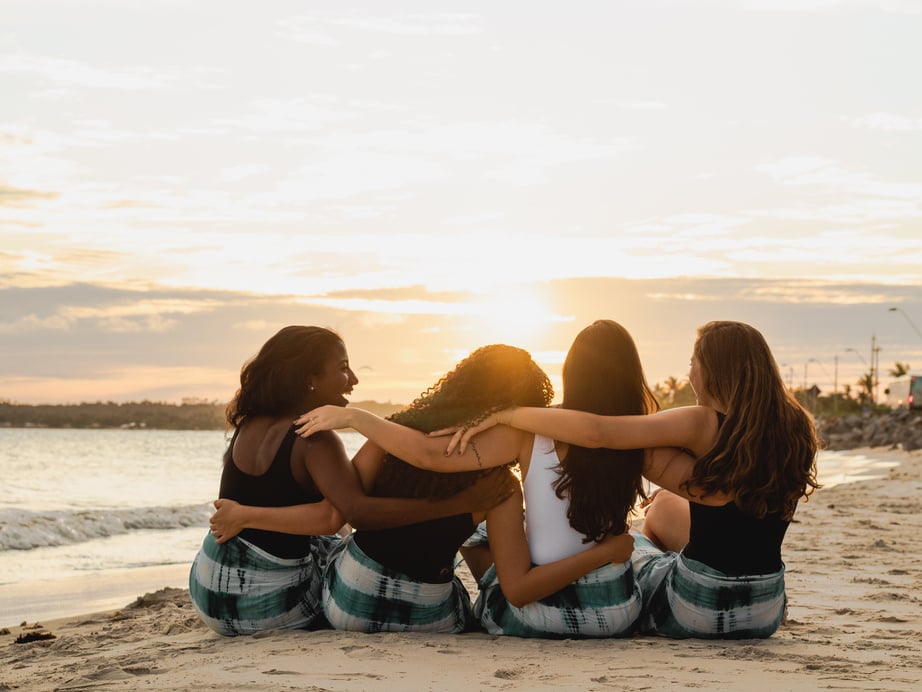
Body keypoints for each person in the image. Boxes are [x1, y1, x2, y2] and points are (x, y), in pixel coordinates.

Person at [296, 321, 686, 638]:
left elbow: (427, 456)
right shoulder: (640, 439)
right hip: (612, 614)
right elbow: (694, 482)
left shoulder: (512, 436)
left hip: (361, 603)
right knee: (636, 546)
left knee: (481, 545)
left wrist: (357, 418)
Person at [440, 320, 821, 639]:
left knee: (638, 549)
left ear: (714, 369)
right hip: (767, 607)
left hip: (696, 606)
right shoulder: (796, 427)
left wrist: (508, 414)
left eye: (694, 362)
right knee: (661, 512)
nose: (690, 372)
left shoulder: (701, 421)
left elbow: (599, 433)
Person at [189, 326, 512, 636]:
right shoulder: (315, 439)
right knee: (344, 551)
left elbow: (325, 513)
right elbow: (346, 515)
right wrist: (463, 503)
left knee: (332, 540)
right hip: (264, 609)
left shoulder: (249, 424)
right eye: (343, 368)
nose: (353, 379)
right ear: (309, 379)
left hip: (209, 593)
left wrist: (246, 515)